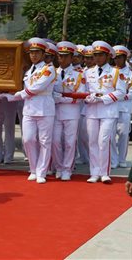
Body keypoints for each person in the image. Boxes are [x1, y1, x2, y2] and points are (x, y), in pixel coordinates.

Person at [0, 37, 56, 184]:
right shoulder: (28, 70)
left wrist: (17, 95)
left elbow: (38, 87)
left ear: (44, 54)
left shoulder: (49, 69)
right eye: (32, 53)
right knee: (28, 139)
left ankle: (41, 171)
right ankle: (33, 168)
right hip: (29, 109)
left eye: (37, 52)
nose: (34, 55)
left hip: (44, 108)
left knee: (45, 141)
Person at [83, 41, 126, 183]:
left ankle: (104, 172)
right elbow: (84, 92)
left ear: (107, 56)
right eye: (96, 55)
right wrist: (89, 98)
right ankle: (94, 172)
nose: (98, 58)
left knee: (104, 141)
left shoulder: (115, 72)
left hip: (108, 111)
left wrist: (103, 98)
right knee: (93, 141)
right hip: (92, 111)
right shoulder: (88, 72)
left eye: (101, 55)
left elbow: (120, 92)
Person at [51, 41, 86, 181]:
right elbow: (49, 93)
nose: (62, 59)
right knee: (55, 141)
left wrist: (61, 98)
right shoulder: (53, 72)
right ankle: (59, 166)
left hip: (72, 111)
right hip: (55, 111)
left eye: (66, 56)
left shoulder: (79, 74)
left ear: (72, 57)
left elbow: (80, 95)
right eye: (60, 56)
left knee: (70, 142)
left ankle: (67, 168)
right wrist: (58, 98)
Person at [110, 45, 132, 168]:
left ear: (125, 58)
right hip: (111, 107)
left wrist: (120, 95)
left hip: (124, 107)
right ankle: (113, 160)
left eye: (119, 57)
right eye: (115, 58)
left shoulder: (131, 74)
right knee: (111, 134)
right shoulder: (110, 72)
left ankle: (121, 159)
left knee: (124, 134)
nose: (117, 60)